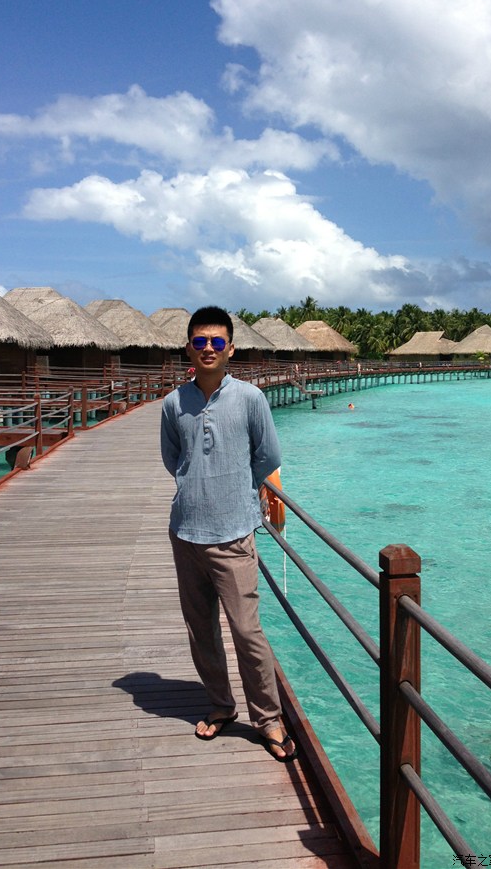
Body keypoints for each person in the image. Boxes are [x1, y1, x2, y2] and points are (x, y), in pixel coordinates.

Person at [160, 306, 297, 762]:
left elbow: (268, 455)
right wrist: (198, 485)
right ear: (189, 348)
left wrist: (238, 489)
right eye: (200, 341)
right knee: (200, 630)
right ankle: (221, 705)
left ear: (230, 349)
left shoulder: (251, 398)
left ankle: (268, 718)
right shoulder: (173, 403)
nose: (208, 348)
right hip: (186, 532)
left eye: (216, 342)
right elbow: (173, 458)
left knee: (246, 630)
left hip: (234, 533)